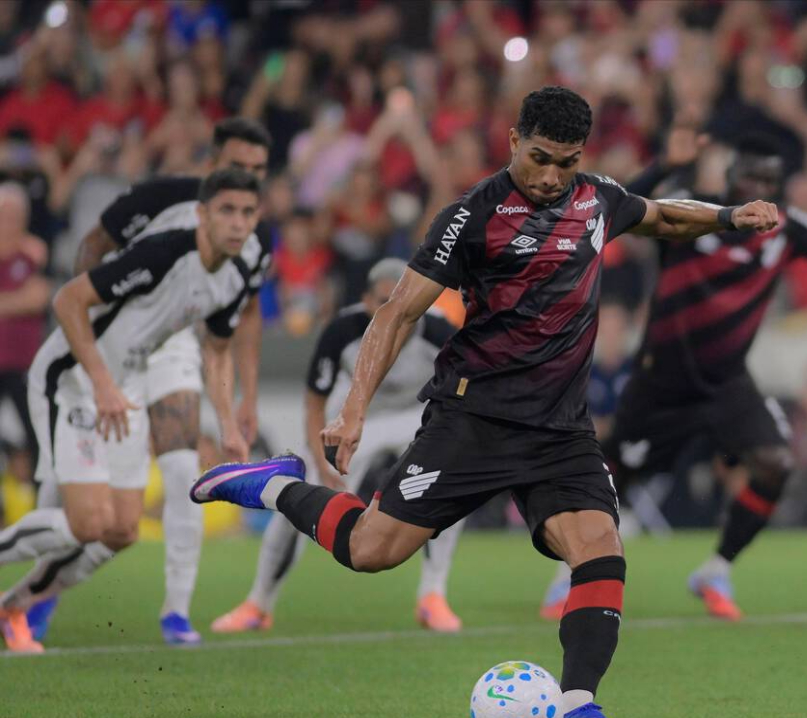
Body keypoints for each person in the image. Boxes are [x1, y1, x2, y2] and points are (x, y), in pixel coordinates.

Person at [191, 86, 780, 718]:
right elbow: (397, 314)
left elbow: (664, 218)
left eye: (567, 161)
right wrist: (351, 412)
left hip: (560, 429)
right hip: (473, 420)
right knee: (371, 550)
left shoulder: (596, 199)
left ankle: (579, 709)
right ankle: (270, 483)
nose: (553, 175)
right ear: (511, 141)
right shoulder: (469, 218)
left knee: (600, 548)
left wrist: (729, 216)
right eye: (539, 158)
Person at [553, 129, 807, 622]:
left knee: (774, 461)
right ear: (729, 179)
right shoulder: (690, 215)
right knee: (613, 477)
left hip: (727, 383)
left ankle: (716, 568)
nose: (758, 186)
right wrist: (665, 161)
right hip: (661, 382)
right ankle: (571, 573)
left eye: (769, 179)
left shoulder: (786, 230)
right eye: (749, 175)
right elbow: (614, 211)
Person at [31, 118, 274, 646]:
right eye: (237, 166)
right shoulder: (162, 197)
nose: (247, 179)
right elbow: (93, 246)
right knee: (72, 487)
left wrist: (244, 400)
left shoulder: (256, 238)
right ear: (212, 165)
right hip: (119, 334)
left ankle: (177, 611)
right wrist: (95, 324)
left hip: (177, 346)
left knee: (184, 465)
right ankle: (39, 597)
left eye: (258, 171)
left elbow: (239, 320)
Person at [210, 258, 466, 635]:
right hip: (357, 419)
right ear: (366, 301)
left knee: (449, 481)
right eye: (383, 301)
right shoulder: (343, 330)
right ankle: (258, 602)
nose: (396, 310)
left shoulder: (441, 334)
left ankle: (433, 596)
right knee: (305, 488)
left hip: (417, 417)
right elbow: (315, 401)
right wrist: (321, 461)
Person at [0, 183, 51, 478]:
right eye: (6, 216)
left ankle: (37, 504)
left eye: (17, 216)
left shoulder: (35, 253)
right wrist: (18, 301)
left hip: (24, 364)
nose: (11, 223)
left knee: (36, 437)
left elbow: (40, 296)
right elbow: (28, 298)